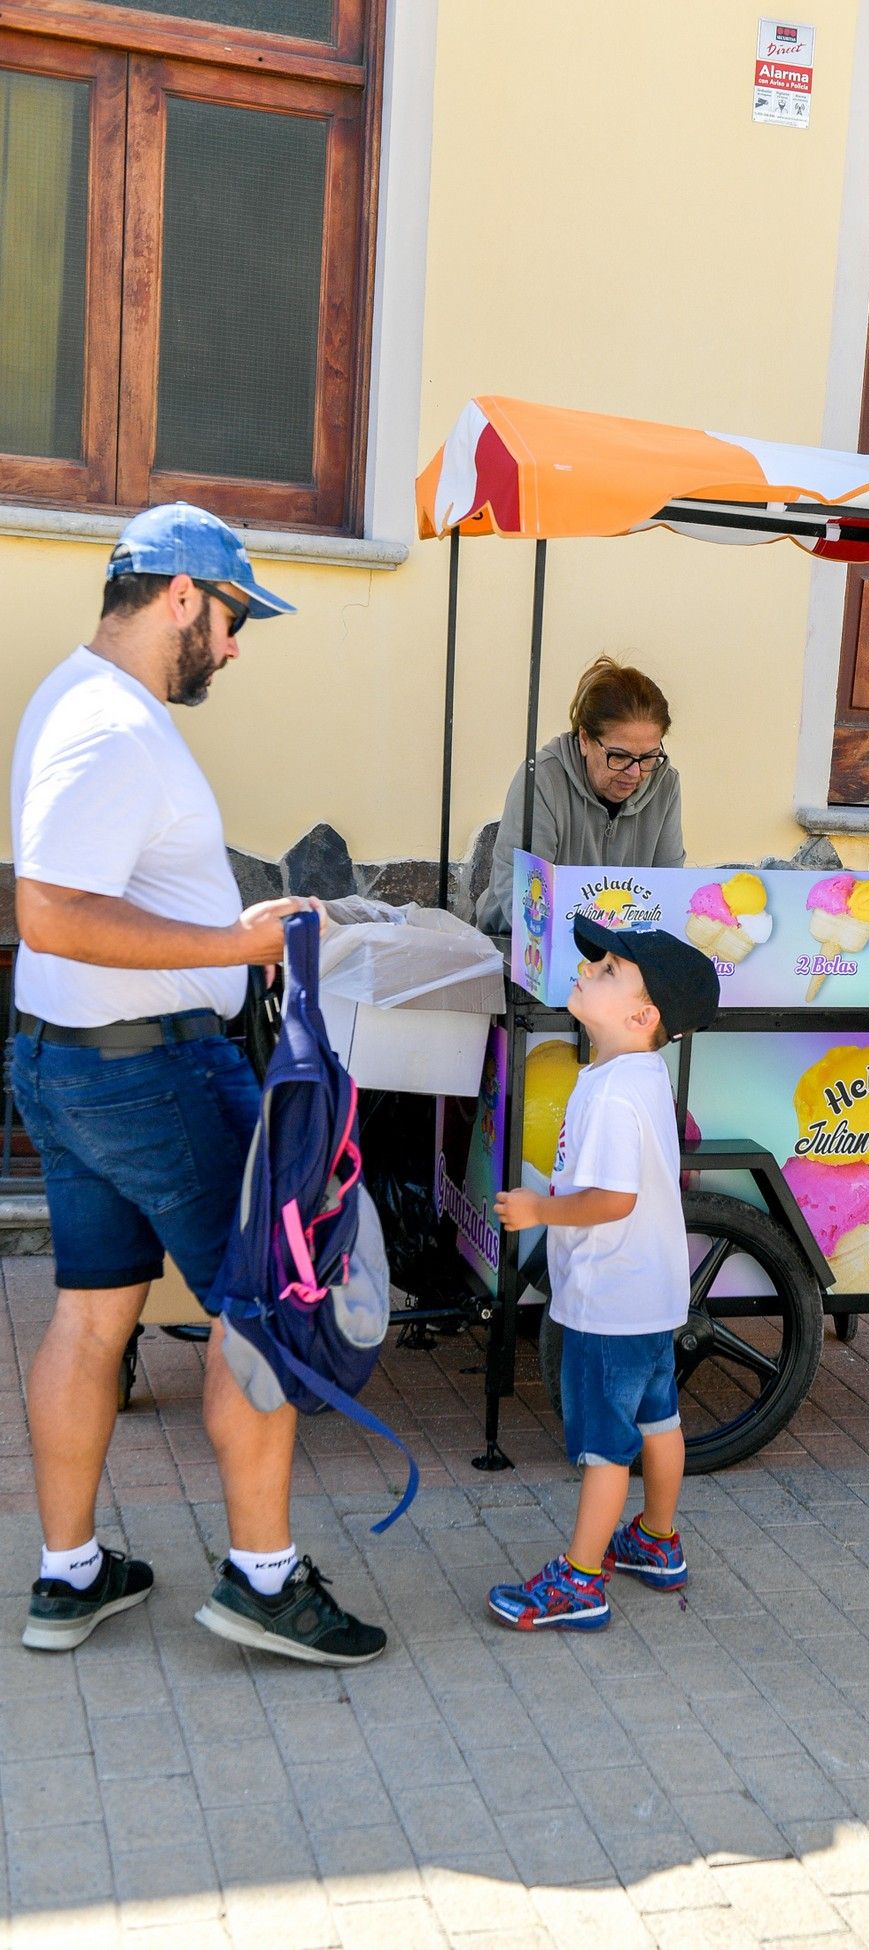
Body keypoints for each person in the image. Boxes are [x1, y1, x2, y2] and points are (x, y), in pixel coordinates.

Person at [11, 503, 385, 1667]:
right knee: (265, 1309)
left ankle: (70, 1575)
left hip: (69, 1062)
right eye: (230, 619)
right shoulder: (110, 730)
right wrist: (240, 947)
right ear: (180, 595)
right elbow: (51, 913)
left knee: (91, 1310)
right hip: (152, 1071)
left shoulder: (76, 698)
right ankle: (264, 1582)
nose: (233, 646)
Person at [486, 916, 719, 1629]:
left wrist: (538, 1210)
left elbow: (614, 1200)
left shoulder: (615, 1091)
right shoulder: (629, 1075)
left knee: (603, 1447)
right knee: (658, 1420)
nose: (589, 970)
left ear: (642, 1016)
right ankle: (656, 1539)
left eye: (610, 970)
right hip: (648, 1298)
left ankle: (581, 1581)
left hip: (608, 1302)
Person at [476, 656, 685, 934]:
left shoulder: (665, 783)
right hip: (523, 942)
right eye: (619, 756)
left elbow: (668, 890)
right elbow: (522, 896)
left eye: (648, 757)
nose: (635, 773)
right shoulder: (542, 779)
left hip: (622, 951)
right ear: (585, 739)